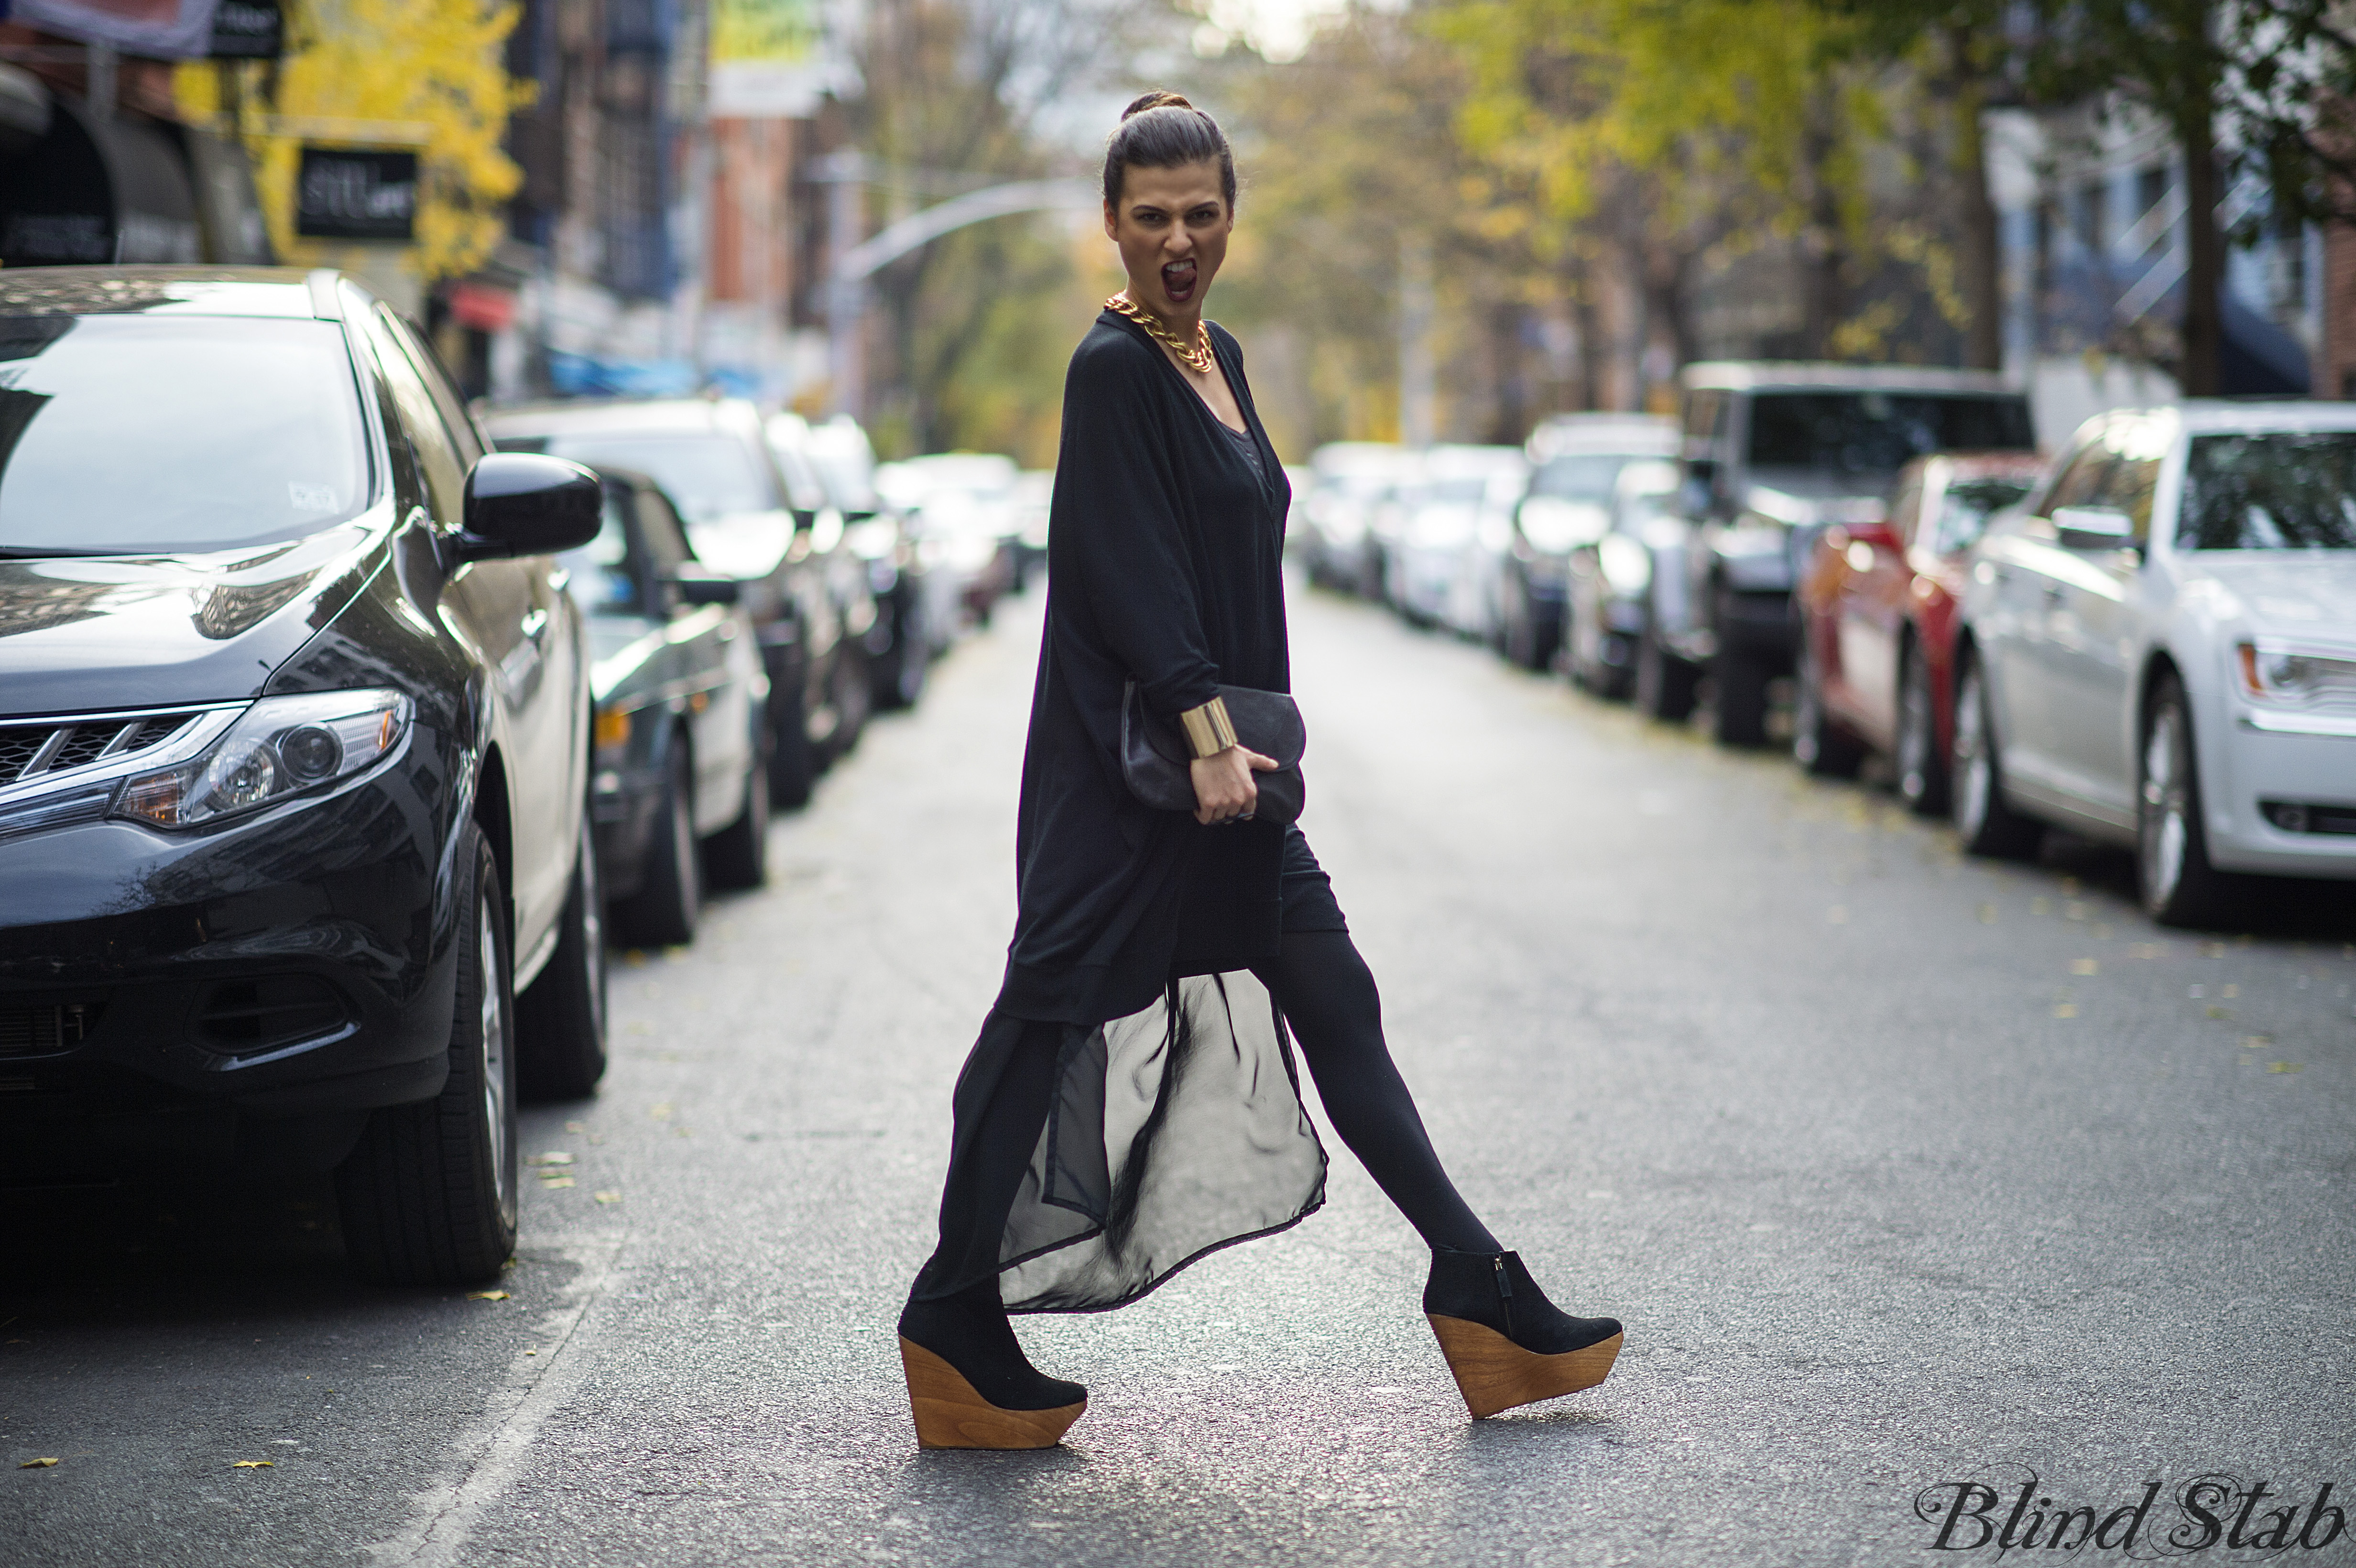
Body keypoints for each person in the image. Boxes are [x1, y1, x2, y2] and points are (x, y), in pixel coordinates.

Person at [895, 91, 1624, 1450]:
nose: (1180, 240)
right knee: (1045, 1015)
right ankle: (951, 1316)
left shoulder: (1216, 350)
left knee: (1336, 992)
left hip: (1227, 778)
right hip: (1138, 785)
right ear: (1111, 225)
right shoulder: (1113, 369)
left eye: (1203, 216)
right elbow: (1122, 570)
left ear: (1233, 219)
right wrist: (1207, 737)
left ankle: (1475, 1286)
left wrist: (1235, 750)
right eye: (1153, 218)